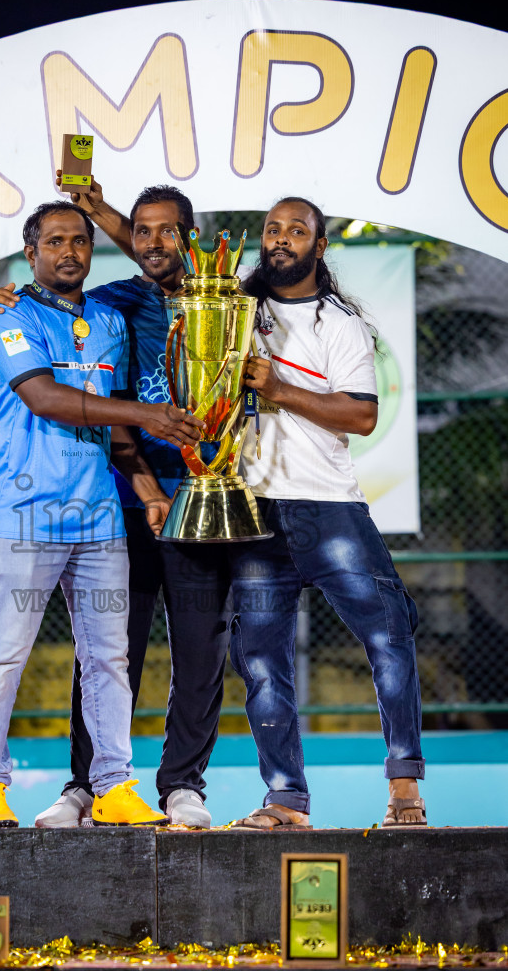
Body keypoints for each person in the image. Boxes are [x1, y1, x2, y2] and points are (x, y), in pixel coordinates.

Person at [0, 181, 231, 829]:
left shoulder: (112, 320)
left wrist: (145, 492)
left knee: (107, 657)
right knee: (5, 653)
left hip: (99, 516)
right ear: (29, 252)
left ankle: (115, 785)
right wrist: (148, 416)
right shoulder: (8, 316)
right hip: (26, 514)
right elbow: (46, 398)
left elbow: (116, 434)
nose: (69, 251)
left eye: (79, 241)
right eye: (54, 241)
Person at [229, 196, 426, 829]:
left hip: (327, 507)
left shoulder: (337, 323)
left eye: (297, 230)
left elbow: (363, 415)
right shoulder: (237, 312)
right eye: (272, 229)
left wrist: (280, 390)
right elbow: (159, 256)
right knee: (260, 659)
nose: (281, 239)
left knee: (389, 632)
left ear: (319, 245)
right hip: (254, 507)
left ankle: (404, 788)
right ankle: (286, 800)